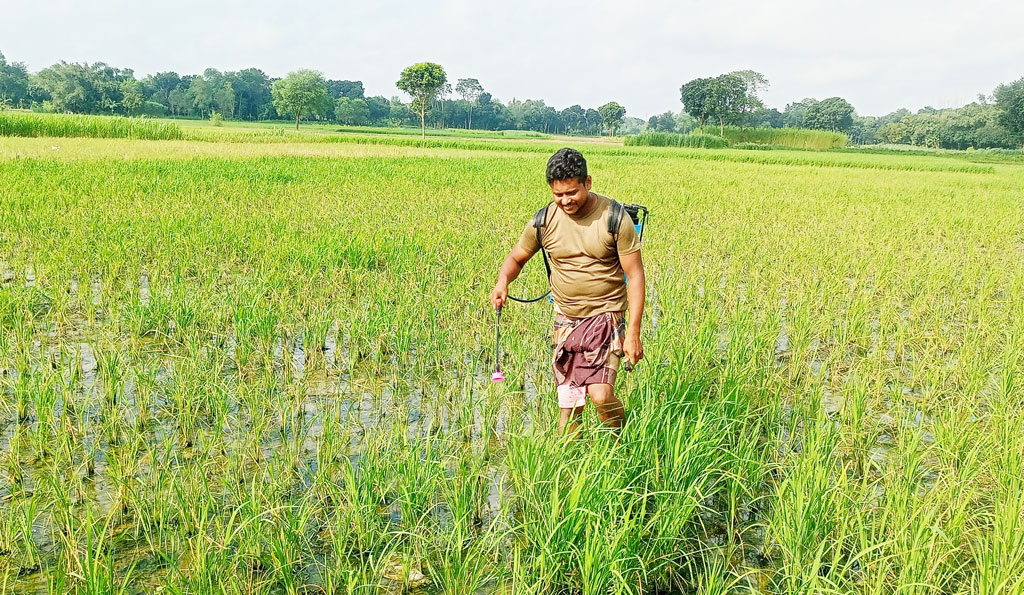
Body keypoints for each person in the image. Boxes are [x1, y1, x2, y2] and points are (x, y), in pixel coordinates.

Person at [490, 148, 645, 434]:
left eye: (572, 192)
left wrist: (633, 334)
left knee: (600, 396)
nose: (565, 201)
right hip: (566, 318)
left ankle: (623, 440)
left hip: (605, 315)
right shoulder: (543, 221)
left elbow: (635, 276)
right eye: (558, 195)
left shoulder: (613, 217)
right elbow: (516, 258)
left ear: (587, 182)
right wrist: (503, 282)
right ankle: (566, 462)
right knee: (570, 403)